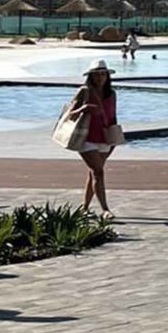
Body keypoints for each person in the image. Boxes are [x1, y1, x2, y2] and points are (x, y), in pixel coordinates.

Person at [68, 60, 119, 218]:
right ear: (90, 76)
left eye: (103, 74)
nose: (100, 78)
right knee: (98, 172)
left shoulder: (111, 94)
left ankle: (84, 208)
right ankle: (105, 209)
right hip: (86, 137)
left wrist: (114, 137)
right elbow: (70, 115)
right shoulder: (84, 91)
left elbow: (113, 116)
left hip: (105, 137)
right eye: (96, 75)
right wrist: (84, 108)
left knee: (94, 173)